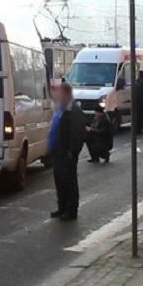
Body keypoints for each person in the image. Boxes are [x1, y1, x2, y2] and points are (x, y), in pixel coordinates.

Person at [49, 83, 85, 221]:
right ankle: (62, 207)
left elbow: (77, 131)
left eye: (61, 94)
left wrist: (72, 150)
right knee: (60, 181)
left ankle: (71, 210)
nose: (58, 96)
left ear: (67, 94)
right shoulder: (62, 109)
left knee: (69, 181)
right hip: (58, 152)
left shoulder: (73, 110)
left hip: (67, 153)